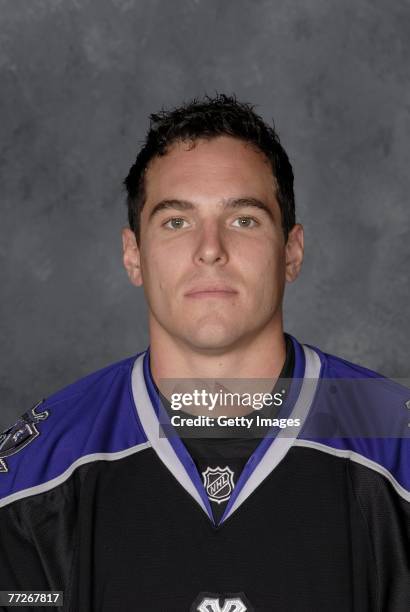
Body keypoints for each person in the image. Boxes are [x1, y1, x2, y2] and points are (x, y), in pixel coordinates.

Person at [0, 93, 408, 612]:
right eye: (176, 221)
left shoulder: (395, 441)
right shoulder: (35, 474)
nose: (210, 248)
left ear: (292, 251)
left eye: (244, 219)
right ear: (133, 255)